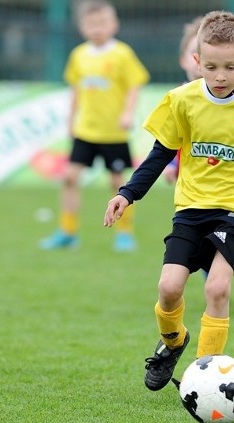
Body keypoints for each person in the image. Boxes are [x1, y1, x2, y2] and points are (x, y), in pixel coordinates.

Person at [103, 11, 234, 392]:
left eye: (231, 67)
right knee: (169, 288)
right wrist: (127, 193)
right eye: (211, 66)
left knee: (217, 288)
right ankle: (173, 343)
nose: (220, 76)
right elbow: (160, 153)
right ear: (196, 61)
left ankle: (201, 374)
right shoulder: (182, 101)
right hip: (190, 207)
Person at [40, 0, 150, 252]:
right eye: (91, 24)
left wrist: (127, 112)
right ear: (82, 27)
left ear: (114, 24)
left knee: (118, 183)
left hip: (113, 133)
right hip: (86, 131)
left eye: (102, 23)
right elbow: (76, 90)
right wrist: (70, 120)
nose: (97, 28)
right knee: (69, 178)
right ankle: (67, 231)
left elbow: (135, 83)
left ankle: (124, 233)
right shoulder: (78, 55)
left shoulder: (122, 53)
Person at [162, 16, 203, 184]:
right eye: (193, 52)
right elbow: (170, 137)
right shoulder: (175, 98)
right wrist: (171, 164)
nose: (199, 58)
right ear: (183, 60)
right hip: (188, 182)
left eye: (204, 52)